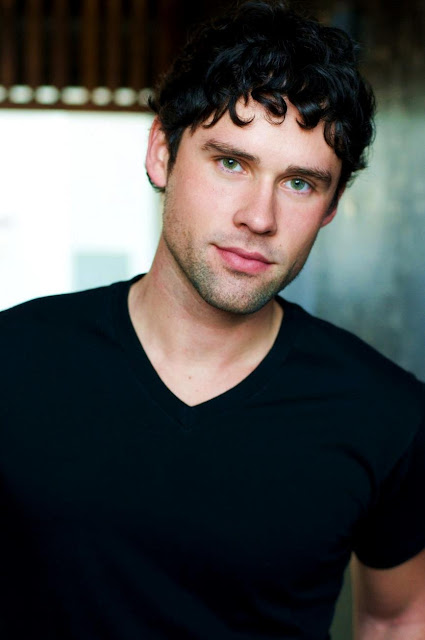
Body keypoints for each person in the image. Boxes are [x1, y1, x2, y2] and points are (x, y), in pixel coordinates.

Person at [1, 1, 424, 639]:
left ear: (331, 206)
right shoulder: (14, 359)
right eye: (232, 163)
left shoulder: (387, 413)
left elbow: (396, 619)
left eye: (300, 183)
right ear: (162, 154)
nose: (259, 217)